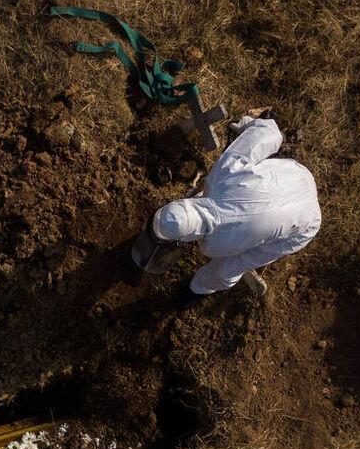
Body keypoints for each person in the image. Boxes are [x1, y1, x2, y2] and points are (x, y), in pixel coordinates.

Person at [132, 114, 321, 309]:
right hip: (293, 178)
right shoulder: (224, 175)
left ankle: (198, 289)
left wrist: (196, 290)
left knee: (241, 262)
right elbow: (269, 132)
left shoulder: (218, 246)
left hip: (305, 223)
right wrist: (251, 128)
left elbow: (229, 269)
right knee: (218, 203)